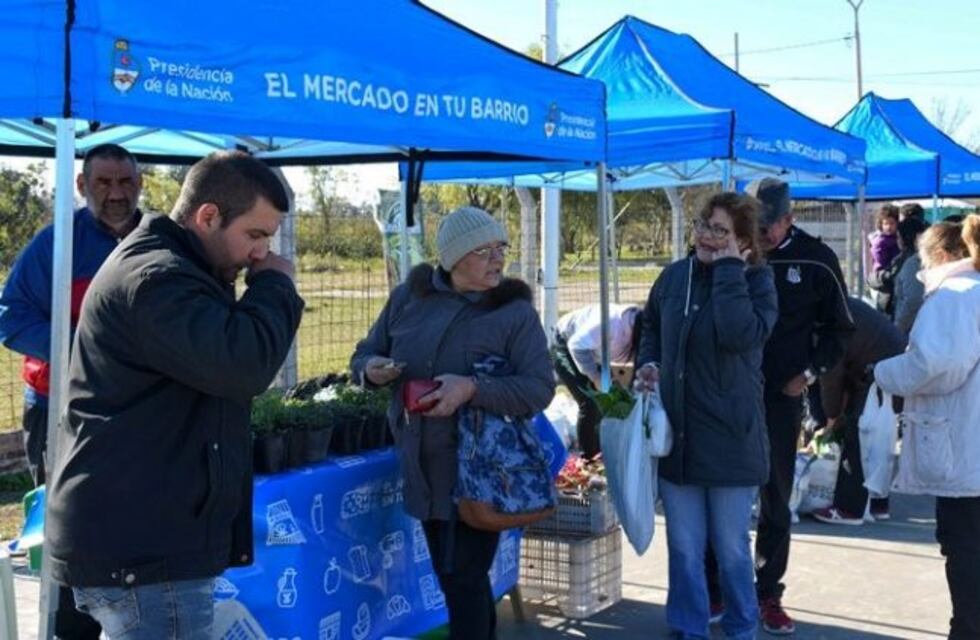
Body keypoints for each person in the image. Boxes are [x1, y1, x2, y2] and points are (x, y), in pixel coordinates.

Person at [46, 151, 304, 639]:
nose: (261, 253)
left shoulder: (180, 271)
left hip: (144, 542)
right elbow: (242, 363)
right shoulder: (159, 279)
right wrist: (273, 286)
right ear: (208, 216)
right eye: (255, 235)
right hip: (144, 555)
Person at [351, 206, 554, 640]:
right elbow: (363, 354)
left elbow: (539, 389)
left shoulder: (514, 314)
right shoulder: (408, 298)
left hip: (481, 471)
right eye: (485, 250)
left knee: (463, 577)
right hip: (424, 465)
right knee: (457, 581)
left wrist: (472, 388)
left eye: (501, 247)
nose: (498, 258)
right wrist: (373, 369)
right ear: (453, 258)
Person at [0, 142, 144, 639]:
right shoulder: (56, 243)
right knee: (69, 526)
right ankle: (70, 626)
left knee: (133, 520)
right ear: (81, 186)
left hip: (138, 413)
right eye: (103, 183)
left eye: (126, 182)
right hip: (62, 409)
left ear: (140, 184)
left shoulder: (158, 240)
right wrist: (83, 350)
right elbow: (11, 317)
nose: (116, 193)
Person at [635, 192, 778, 640]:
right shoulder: (674, 278)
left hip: (732, 441)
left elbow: (740, 334)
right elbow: (652, 326)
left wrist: (730, 271)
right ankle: (688, 627)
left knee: (732, 548)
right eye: (703, 224)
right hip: (679, 438)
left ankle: (740, 628)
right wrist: (649, 362)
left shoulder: (756, 282)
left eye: (721, 231)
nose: (707, 236)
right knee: (683, 547)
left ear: (744, 243)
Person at [749, 177, 855, 635]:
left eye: (767, 227)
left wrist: (808, 376)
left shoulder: (816, 259)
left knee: (775, 495)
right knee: (723, 494)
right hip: (729, 396)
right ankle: (718, 585)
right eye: (752, 225)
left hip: (780, 398)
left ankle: (768, 592)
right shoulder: (734, 253)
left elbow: (840, 330)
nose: (760, 236)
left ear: (789, 219)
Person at [873, 216, 978, 639]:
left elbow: (934, 365)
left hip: (967, 459)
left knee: (966, 560)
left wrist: (881, 372)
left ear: (940, 255)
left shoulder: (955, 295)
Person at [810, 298, 905, 525]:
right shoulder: (839, 307)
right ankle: (877, 503)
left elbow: (831, 375)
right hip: (890, 368)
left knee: (858, 437)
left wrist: (832, 417)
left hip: (879, 372)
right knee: (879, 441)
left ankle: (850, 508)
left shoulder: (826, 322)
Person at [553, 303, 642, 458]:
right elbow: (576, 346)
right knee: (590, 401)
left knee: (614, 399)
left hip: (595, 352)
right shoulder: (610, 324)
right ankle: (588, 459)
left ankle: (607, 448)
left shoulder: (639, 329)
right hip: (567, 344)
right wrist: (594, 376)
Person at [868, 216, 928, 320]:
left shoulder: (909, 262)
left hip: (901, 320)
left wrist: (872, 278)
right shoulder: (920, 258)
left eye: (898, 237)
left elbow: (912, 301)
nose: (897, 240)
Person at [869, 205, 900, 273]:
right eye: (886, 224)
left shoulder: (897, 238)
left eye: (892, 223)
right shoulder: (880, 241)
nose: (889, 227)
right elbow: (881, 260)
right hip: (883, 274)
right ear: (881, 225)